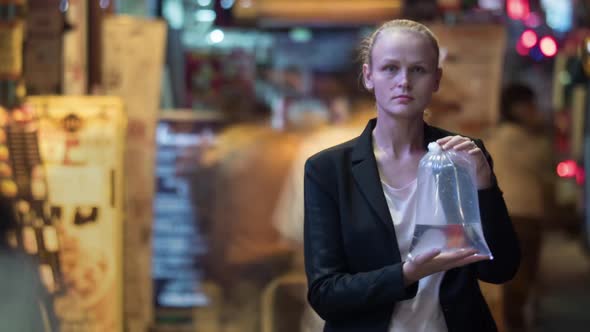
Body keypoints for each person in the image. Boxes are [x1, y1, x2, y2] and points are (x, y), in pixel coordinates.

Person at [303, 19, 520, 332]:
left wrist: (485, 187)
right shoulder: (328, 169)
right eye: (390, 68)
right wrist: (407, 273)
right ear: (368, 76)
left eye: (418, 69)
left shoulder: (459, 156)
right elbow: (325, 294)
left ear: (436, 79)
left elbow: (501, 270)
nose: (403, 81)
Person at [485, 83, 554, 331]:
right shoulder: (521, 138)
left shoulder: (495, 136)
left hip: (507, 213)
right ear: (517, 108)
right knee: (520, 282)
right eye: (530, 105)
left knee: (512, 280)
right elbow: (548, 165)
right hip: (523, 216)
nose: (535, 110)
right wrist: (543, 130)